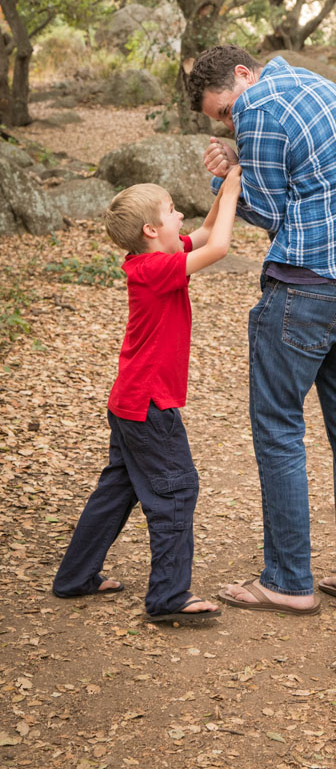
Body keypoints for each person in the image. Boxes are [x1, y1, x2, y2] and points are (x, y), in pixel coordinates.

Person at [187, 45, 336, 616]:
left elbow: (271, 212)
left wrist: (227, 177)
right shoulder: (310, 84)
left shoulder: (256, 108)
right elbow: (306, 181)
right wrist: (243, 158)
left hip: (308, 288)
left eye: (225, 111)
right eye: (222, 120)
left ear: (241, 76)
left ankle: (287, 580)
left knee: (279, 429)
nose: (231, 121)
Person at [52, 168, 242, 622]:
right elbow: (218, 246)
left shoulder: (155, 259)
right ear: (150, 230)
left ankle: (75, 576)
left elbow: (204, 232)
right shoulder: (156, 269)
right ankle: (168, 598)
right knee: (177, 490)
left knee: (118, 489)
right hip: (149, 404)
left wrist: (221, 193)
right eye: (172, 210)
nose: (181, 216)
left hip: (130, 401)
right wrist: (233, 190)